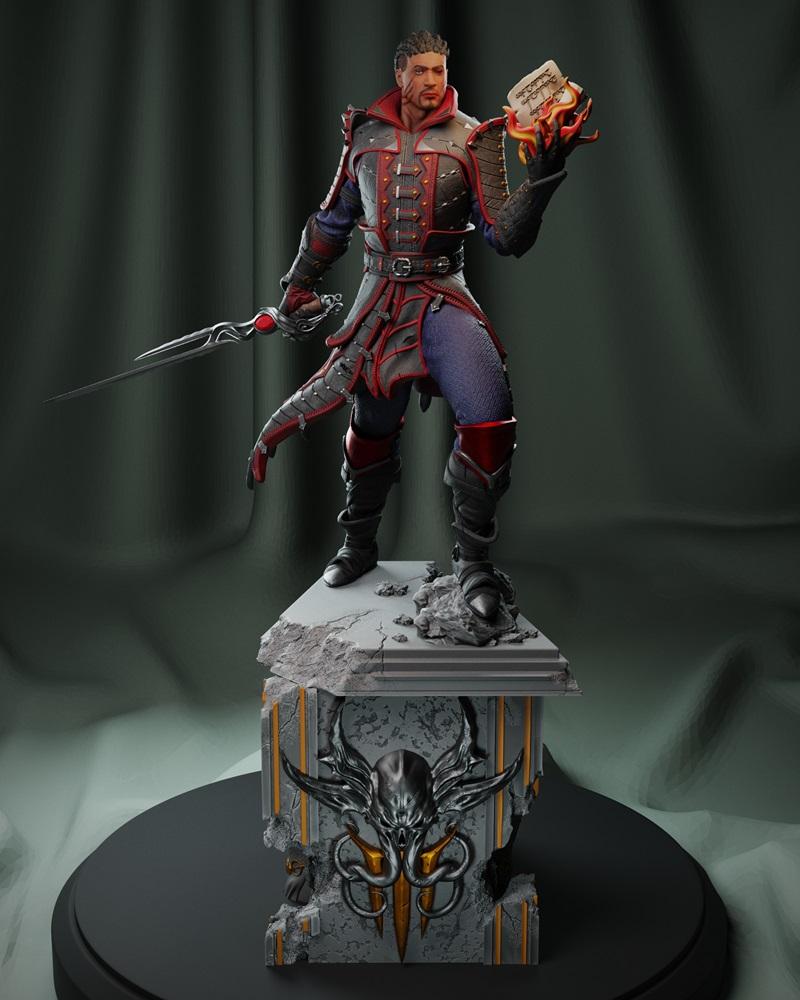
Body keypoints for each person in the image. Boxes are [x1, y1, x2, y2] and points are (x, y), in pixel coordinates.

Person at [248, 30, 578, 620]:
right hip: (378, 300)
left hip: (441, 295)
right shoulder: (363, 136)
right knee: (371, 424)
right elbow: (332, 220)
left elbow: (505, 236)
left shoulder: (475, 138)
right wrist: (297, 285)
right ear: (399, 73)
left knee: (489, 416)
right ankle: (357, 544)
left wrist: (544, 176)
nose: (432, 81)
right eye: (421, 70)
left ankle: (474, 564)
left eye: (439, 70)